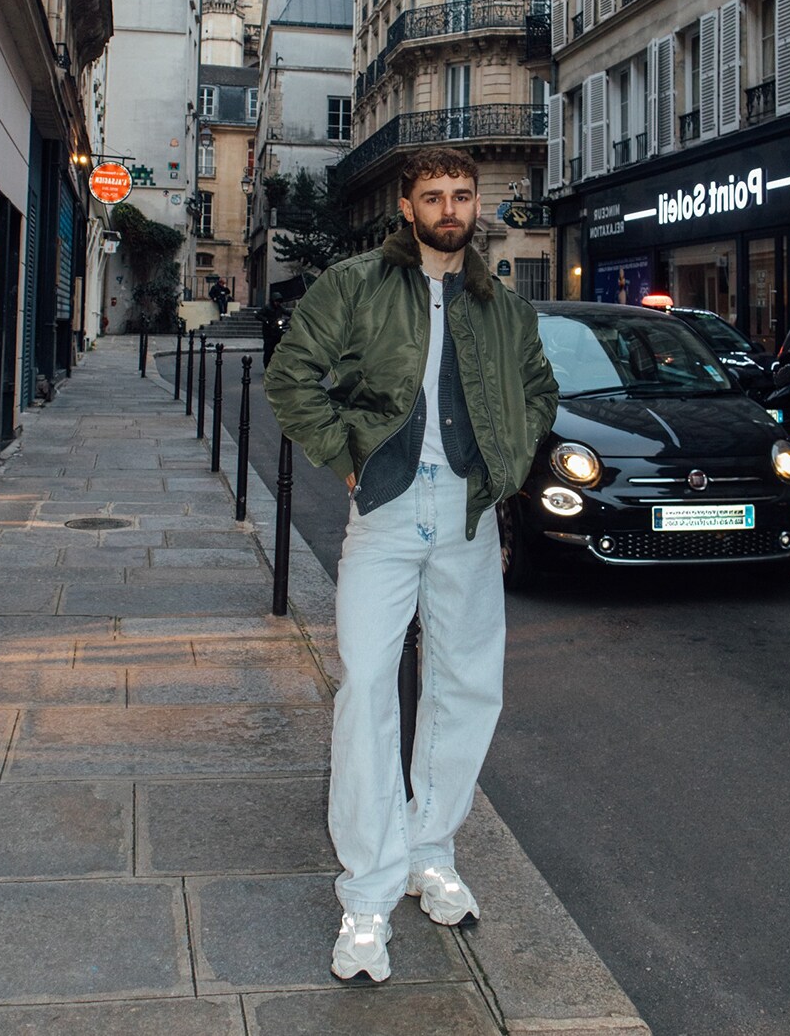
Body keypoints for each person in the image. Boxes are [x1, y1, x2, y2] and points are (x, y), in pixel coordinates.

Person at [264, 147, 558, 983]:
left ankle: (431, 847)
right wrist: (344, 456)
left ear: (476, 204)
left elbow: (538, 388)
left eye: (463, 195)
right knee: (365, 687)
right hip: (388, 510)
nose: (451, 208)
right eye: (435, 196)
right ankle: (366, 892)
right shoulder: (355, 285)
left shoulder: (499, 302)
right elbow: (291, 378)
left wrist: (507, 460)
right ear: (407, 206)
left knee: (467, 685)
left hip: (467, 512)